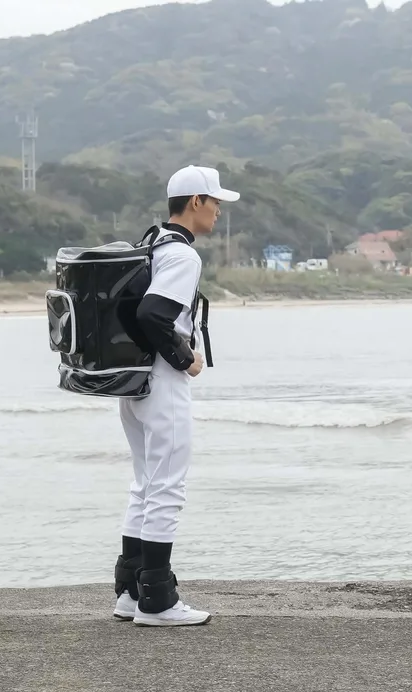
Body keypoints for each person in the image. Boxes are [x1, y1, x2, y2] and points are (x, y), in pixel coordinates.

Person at [112, 165, 240, 627]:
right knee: (168, 487)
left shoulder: (152, 243)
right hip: (162, 382)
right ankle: (158, 601)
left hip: (133, 382)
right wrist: (186, 358)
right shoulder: (183, 256)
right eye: (215, 201)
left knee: (145, 484)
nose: (219, 211)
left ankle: (129, 592)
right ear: (195, 203)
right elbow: (153, 314)